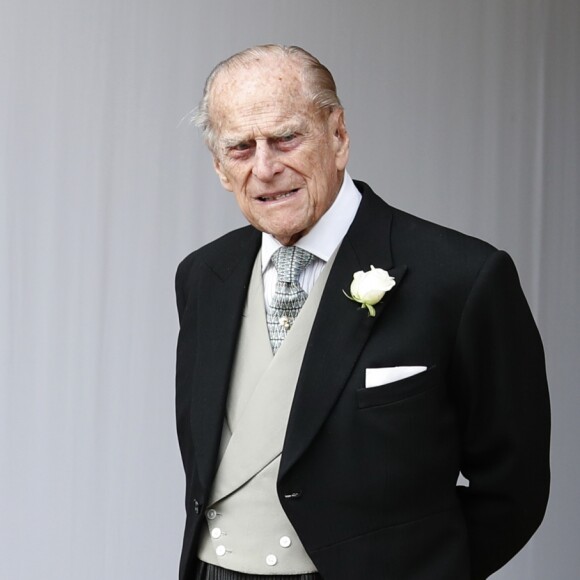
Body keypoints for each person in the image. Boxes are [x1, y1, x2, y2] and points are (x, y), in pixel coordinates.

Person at [175, 44, 550, 580]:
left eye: (286, 137)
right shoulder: (201, 277)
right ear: (218, 167)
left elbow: (516, 487)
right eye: (240, 148)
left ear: (338, 134)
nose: (265, 168)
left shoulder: (462, 276)